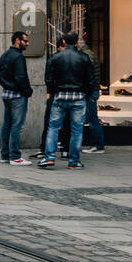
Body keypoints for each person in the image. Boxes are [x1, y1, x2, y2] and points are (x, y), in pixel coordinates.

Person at [40, 32, 93, 169]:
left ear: (63, 41)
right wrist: (86, 95)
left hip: (60, 96)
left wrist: (53, 92)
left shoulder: (55, 58)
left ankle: (49, 157)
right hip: (78, 97)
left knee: (53, 127)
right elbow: (90, 80)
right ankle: (73, 161)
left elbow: (48, 79)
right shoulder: (84, 58)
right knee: (77, 130)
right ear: (77, 42)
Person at [0, 31, 35, 166]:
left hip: (6, 94)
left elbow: (0, 78)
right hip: (17, 96)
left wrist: (9, 86)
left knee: (7, 125)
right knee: (16, 126)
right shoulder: (18, 57)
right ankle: (15, 156)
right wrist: (27, 91)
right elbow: (21, 78)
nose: (27, 43)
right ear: (17, 41)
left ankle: (5, 155)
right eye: (25, 41)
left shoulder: (5, 55)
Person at [79, 37, 106, 155]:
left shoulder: (86, 56)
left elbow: (86, 75)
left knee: (92, 119)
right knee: (90, 118)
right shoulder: (90, 54)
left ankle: (98, 146)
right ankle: (97, 144)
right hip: (92, 90)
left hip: (90, 91)